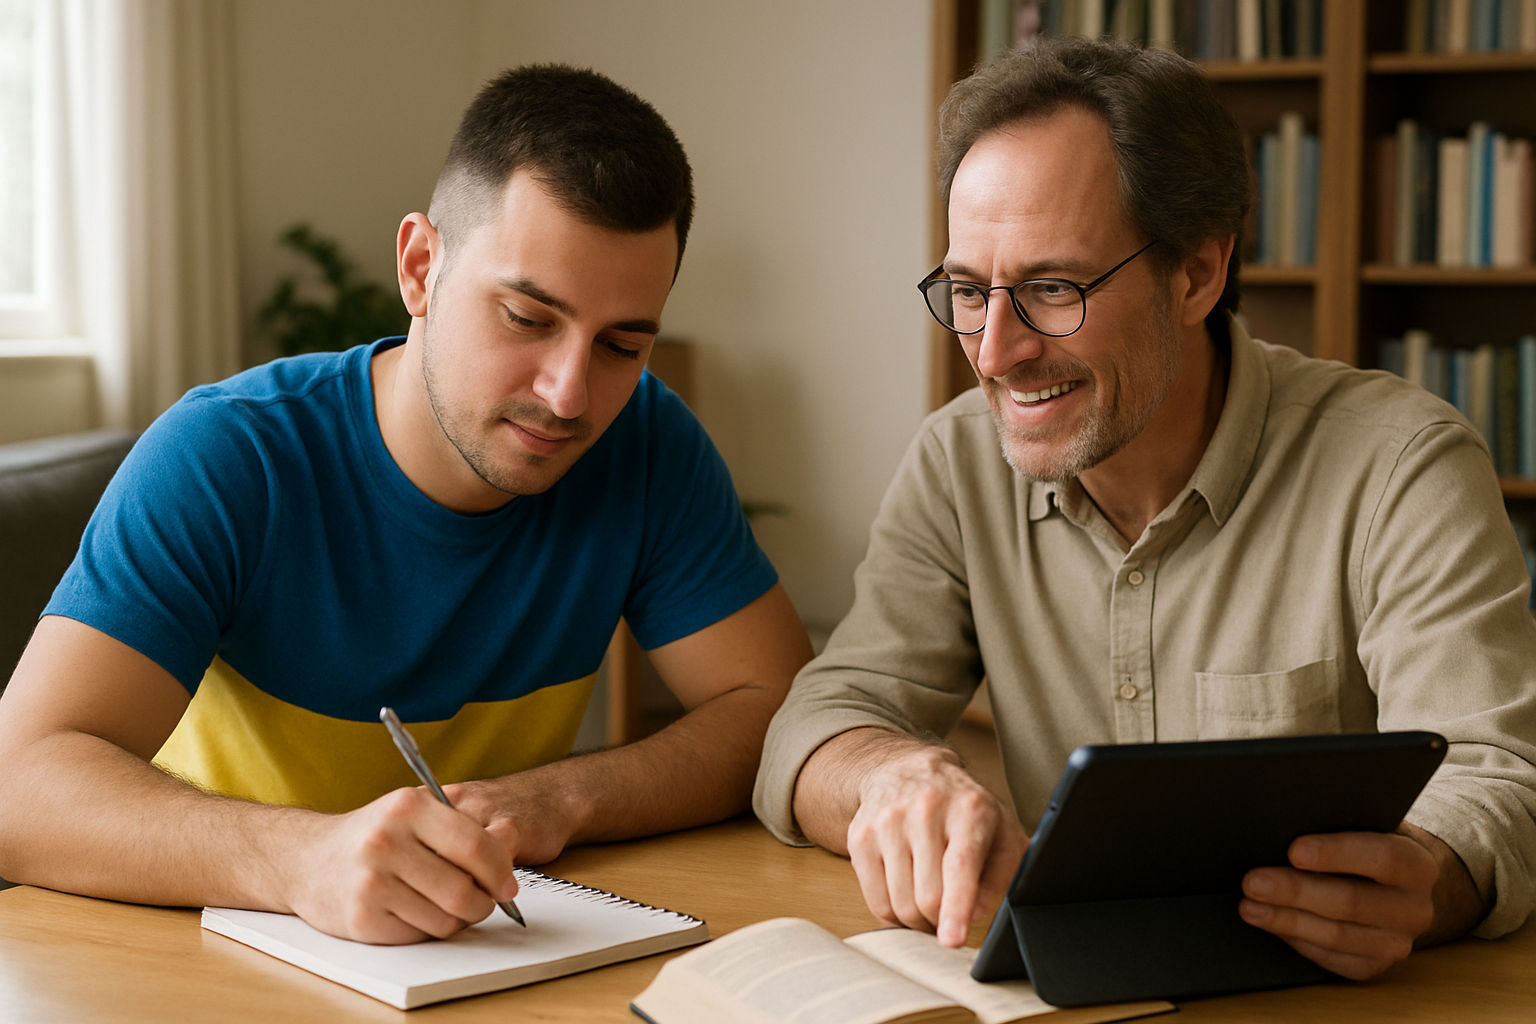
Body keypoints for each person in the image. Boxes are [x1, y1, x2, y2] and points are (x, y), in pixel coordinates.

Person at [754, 36, 1536, 982]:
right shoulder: (958, 460)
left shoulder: (1402, 465)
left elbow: (1501, 778)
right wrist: (888, 774)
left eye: (1052, 289)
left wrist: (1431, 876)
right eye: (967, 291)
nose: (995, 353)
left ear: (1197, 274)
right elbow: (818, 722)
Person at [0, 64, 812, 945]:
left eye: (621, 345)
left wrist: (564, 796)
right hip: (205, 953)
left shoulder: (644, 444)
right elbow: (19, 783)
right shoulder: (229, 456)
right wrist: (300, 859)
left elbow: (777, 708)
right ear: (421, 268)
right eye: (527, 318)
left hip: (481, 954)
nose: (570, 395)